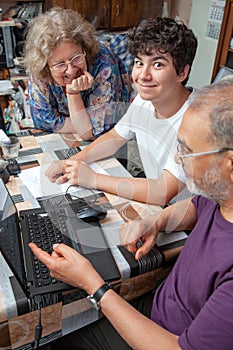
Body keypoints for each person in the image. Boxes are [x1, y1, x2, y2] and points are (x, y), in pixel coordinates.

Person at [30, 79, 233, 350]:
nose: (176, 160)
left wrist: (94, 285)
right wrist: (156, 221)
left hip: (163, 339)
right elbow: (197, 206)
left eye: (186, 150)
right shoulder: (222, 196)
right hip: (160, 306)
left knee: (50, 341)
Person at [45, 17, 198, 206]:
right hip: (160, 207)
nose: (143, 75)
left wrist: (92, 178)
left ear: (182, 72)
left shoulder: (196, 119)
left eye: (158, 64)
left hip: (190, 220)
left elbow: (161, 192)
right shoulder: (145, 100)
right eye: (139, 62)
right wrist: (70, 163)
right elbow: (115, 137)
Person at [23, 7, 131, 138]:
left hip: (109, 142)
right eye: (60, 64)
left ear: (84, 48)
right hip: (61, 139)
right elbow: (43, 121)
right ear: (46, 65)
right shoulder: (39, 67)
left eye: (76, 58)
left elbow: (96, 133)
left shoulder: (104, 63)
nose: (71, 70)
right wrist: (86, 124)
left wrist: (73, 93)